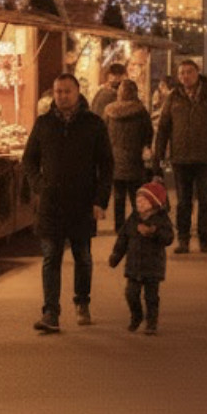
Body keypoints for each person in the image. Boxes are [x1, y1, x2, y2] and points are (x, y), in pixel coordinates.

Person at [22, 73, 113, 333]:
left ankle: (82, 302)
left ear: (77, 93)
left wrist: (100, 200)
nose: (61, 96)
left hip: (83, 203)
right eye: (57, 91)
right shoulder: (43, 124)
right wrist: (39, 186)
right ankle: (51, 312)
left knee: (82, 256)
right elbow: (29, 160)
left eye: (66, 91)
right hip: (51, 204)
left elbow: (106, 165)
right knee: (51, 257)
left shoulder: (93, 124)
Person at [153, 58, 207, 254]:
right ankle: (183, 239)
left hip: (206, 158)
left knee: (205, 200)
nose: (185, 76)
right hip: (180, 159)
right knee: (183, 202)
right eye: (181, 73)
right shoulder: (173, 97)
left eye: (189, 72)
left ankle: (204, 238)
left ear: (197, 73)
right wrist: (159, 156)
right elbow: (163, 128)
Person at [108, 180, 175, 335]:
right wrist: (116, 256)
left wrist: (154, 232)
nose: (139, 203)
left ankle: (151, 322)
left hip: (153, 266)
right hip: (134, 266)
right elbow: (123, 239)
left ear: (154, 203)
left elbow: (169, 238)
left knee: (151, 297)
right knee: (131, 293)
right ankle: (136, 315)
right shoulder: (133, 219)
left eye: (143, 201)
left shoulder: (161, 220)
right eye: (137, 200)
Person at [104, 79, 155, 230]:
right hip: (134, 159)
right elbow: (148, 133)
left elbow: (103, 133)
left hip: (115, 159)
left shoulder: (109, 111)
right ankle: (138, 223)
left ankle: (119, 226)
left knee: (118, 196)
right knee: (136, 195)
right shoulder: (140, 112)